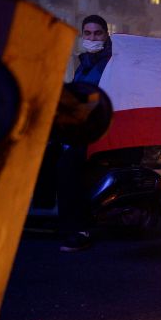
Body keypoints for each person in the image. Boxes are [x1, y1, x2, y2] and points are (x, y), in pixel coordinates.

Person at [57, 14, 112, 252]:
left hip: (104, 129)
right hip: (83, 128)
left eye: (97, 33)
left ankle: (81, 229)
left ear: (106, 35)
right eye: (87, 33)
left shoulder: (112, 62)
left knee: (68, 166)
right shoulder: (83, 64)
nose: (92, 38)